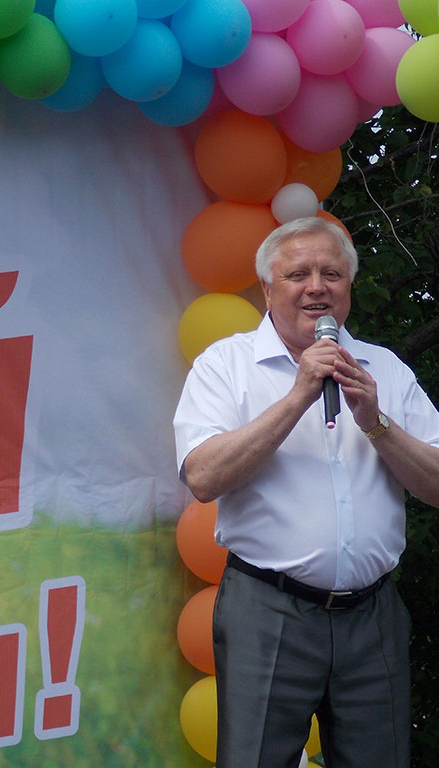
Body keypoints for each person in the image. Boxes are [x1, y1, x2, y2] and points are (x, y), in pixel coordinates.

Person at [173, 217, 439, 768]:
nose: (316, 287)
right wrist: (299, 395)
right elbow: (202, 477)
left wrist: (377, 423)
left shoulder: (385, 370)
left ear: (348, 287)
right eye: (298, 274)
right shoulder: (225, 365)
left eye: (331, 274)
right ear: (267, 289)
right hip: (268, 609)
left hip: (373, 615)